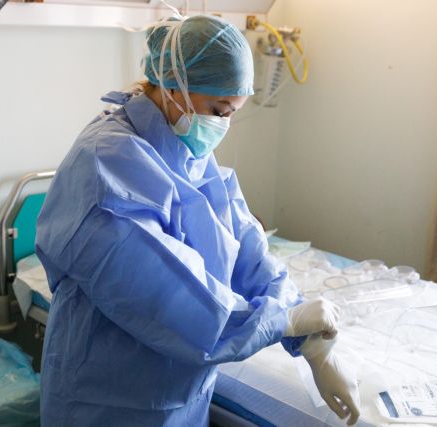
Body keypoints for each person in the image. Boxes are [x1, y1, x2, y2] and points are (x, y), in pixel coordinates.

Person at [36, 14, 360, 426]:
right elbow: (172, 298)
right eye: (218, 110)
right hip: (106, 398)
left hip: (181, 396)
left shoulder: (186, 147)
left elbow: (243, 246)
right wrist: (282, 321)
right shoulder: (106, 162)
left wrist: (311, 343)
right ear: (174, 86)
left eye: (231, 113)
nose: (222, 125)